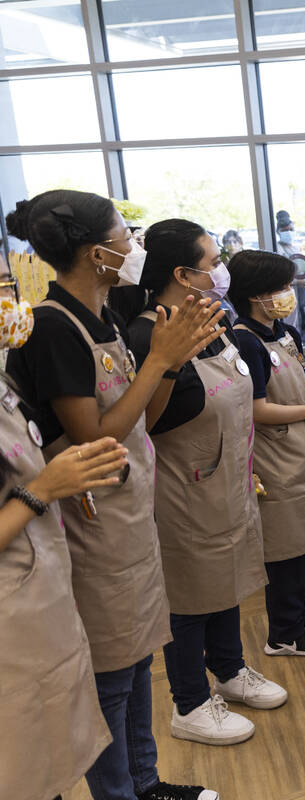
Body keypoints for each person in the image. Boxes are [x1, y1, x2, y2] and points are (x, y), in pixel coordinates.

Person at [6, 190, 223, 800]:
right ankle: (118, 791)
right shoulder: (53, 326)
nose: (133, 245)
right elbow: (96, 439)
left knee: (137, 657)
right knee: (111, 673)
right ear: (94, 251)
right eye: (122, 235)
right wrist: (159, 360)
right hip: (93, 523)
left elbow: (141, 423)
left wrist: (171, 362)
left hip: (131, 515)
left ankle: (145, 782)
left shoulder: (105, 315)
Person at [128, 220, 286, 746]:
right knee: (189, 595)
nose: (222, 269)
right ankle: (189, 702)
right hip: (182, 490)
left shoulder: (214, 320)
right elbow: (139, 423)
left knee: (227, 578)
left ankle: (230, 669)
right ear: (182, 274)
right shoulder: (147, 333)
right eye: (212, 260)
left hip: (228, 478)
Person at [0, 271, 129, 800]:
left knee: (47, 758)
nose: (9, 301)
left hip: (38, 591)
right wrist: (41, 490)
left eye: (6, 284)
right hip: (13, 613)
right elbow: (31, 486)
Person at [228, 250, 305, 656]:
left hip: (302, 452)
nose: (287, 293)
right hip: (275, 457)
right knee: (287, 550)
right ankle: (283, 632)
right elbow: (256, 409)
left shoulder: (285, 332)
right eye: (279, 288)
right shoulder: (244, 341)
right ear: (254, 295)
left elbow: (299, 384)